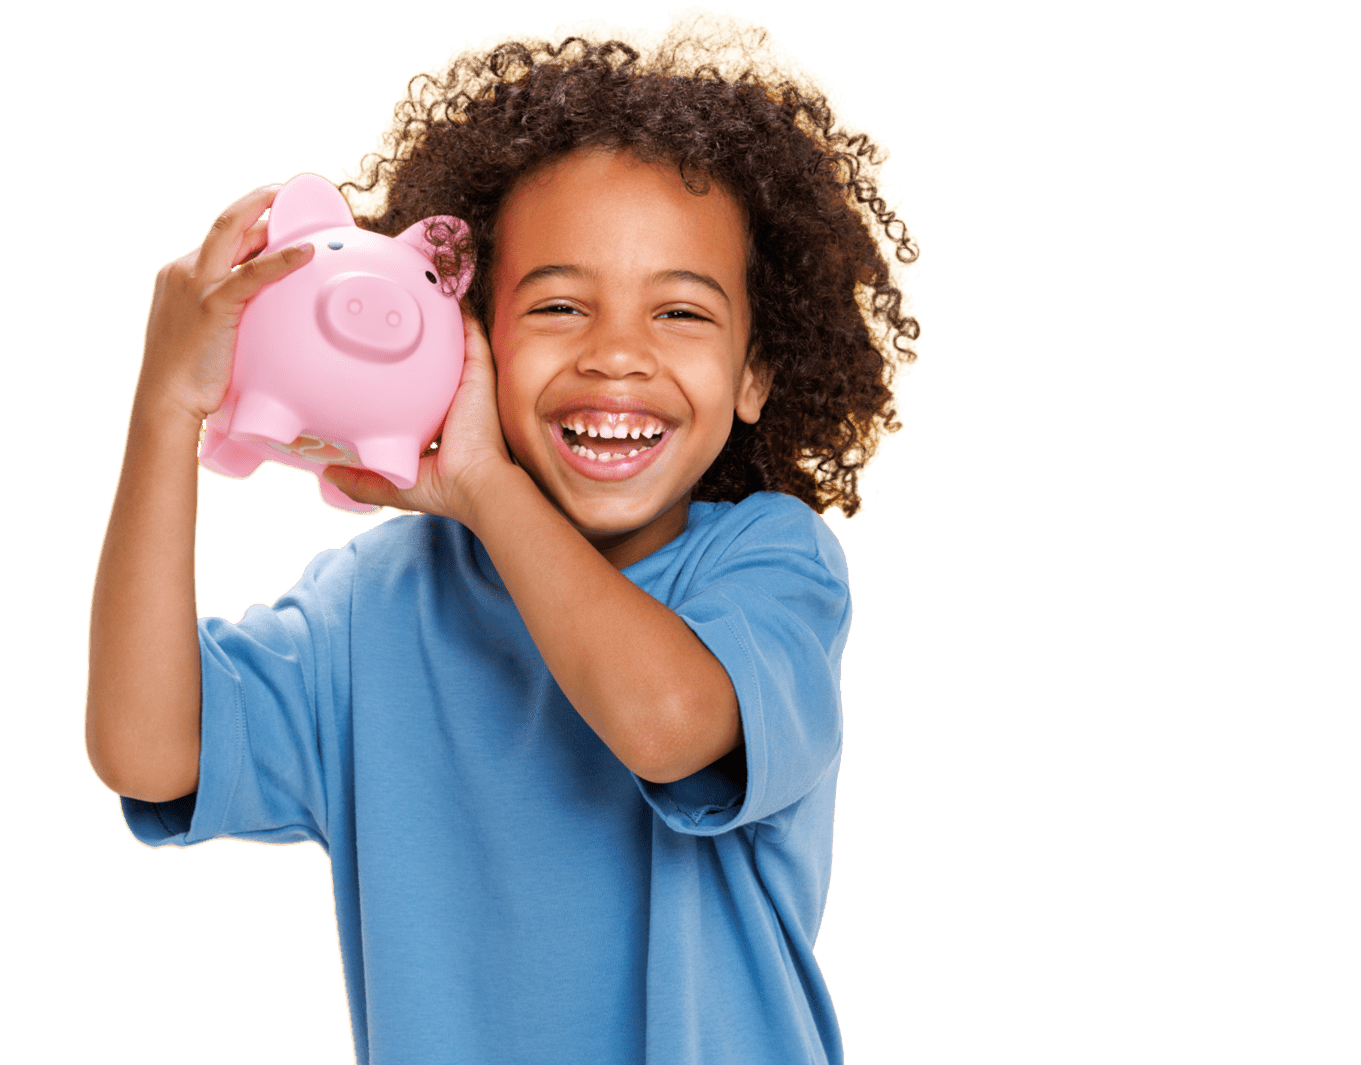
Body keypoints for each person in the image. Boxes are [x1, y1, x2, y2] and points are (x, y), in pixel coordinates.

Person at [85, 11, 919, 1064]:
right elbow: (147, 754)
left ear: (758, 373)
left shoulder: (769, 561)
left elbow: (665, 722)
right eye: (560, 306)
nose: (618, 357)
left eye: (682, 314)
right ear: (463, 328)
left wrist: (482, 481)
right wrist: (167, 413)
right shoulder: (377, 600)